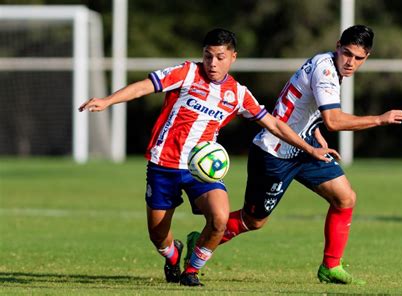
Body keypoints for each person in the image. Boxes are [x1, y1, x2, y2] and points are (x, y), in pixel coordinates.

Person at [78, 28, 340, 286]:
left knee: (219, 218)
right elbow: (143, 87)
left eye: (220, 57)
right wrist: (107, 101)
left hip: (200, 168)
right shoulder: (186, 73)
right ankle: (173, 256)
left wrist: (309, 148)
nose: (212, 63)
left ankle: (191, 271)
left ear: (233, 57)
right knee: (158, 236)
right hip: (163, 163)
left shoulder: (238, 93)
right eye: (208, 56)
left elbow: (274, 125)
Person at [187, 25, 402, 285]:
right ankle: (201, 240)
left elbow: (301, 106)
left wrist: (314, 133)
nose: (350, 62)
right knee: (253, 221)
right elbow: (334, 121)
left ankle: (330, 266)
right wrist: (379, 120)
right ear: (338, 46)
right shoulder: (326, 71)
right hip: (274, 151)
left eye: (358, 58)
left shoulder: (327, 64)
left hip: (304, 147)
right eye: (347, 53)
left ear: (366, 57)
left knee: (345, 198)